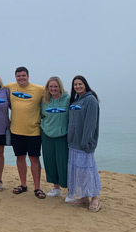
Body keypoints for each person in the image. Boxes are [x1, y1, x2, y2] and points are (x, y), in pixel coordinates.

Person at [5, 66, 46, 199]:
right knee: (20, 158)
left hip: (33, 131)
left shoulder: (39, 89)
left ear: (28, 76)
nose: (21, 78)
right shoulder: (10, 87)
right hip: (16, 131)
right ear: (15, 77)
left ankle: (37, 187)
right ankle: (23, 184)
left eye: (23, 75)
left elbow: (55, 93)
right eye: (19, 76)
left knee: (34, 159)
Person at [67, 75, 102, 212]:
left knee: (88, 170)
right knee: (79, 171)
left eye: (80, 84)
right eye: (75, 84)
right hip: (73, 143)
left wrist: (85, 141)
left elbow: (91, 123)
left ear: (85, 85)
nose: (78, 86)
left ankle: (95, 198)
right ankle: (84, 197)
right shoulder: (77, 100)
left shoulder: (90, 100)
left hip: (84, 144)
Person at [40, 76, 70, 200]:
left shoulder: (67, 99)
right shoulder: (44, 100)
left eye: (55, 86)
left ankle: (70, 191)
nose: (53, 89)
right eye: (51, 86)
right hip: (47, 134)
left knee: (63, 163)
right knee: (50, 162)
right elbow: (41, 115)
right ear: (48, 88)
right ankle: (56, 188)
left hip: (62, 135)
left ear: (60, 87)